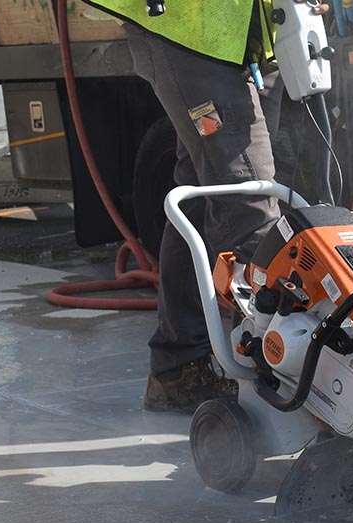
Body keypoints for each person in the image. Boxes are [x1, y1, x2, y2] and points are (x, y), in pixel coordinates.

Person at [83, 0, 328, 412]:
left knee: (202, 195)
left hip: (238, 33)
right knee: (248, 201)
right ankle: (280, 375)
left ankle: (178, 366)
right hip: (190, 26)